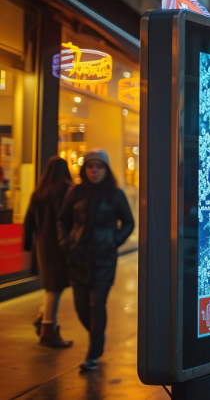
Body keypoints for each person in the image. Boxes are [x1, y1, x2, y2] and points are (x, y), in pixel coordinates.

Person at [58, 149, 134, 371]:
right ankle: (98, 336)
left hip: (103, 258)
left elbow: (128, 223)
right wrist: (66, 242)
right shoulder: (76, 193)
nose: (94, 171)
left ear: (106, 169)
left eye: (99, 167)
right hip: (78, 257)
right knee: (81, 307)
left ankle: (93, 354)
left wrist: (113, 241)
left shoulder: (115, 194)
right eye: (90, 167)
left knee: (96, 304)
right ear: (85, 169)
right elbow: (62, 219)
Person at [23, 156, 73, 347]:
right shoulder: (68, 190)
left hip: (43, 246)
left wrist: (27, 246)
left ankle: (43, 317)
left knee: (53, 285)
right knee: (55, 287)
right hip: (61, 246)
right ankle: (47, 328)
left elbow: (28, 222)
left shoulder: (38, 192)